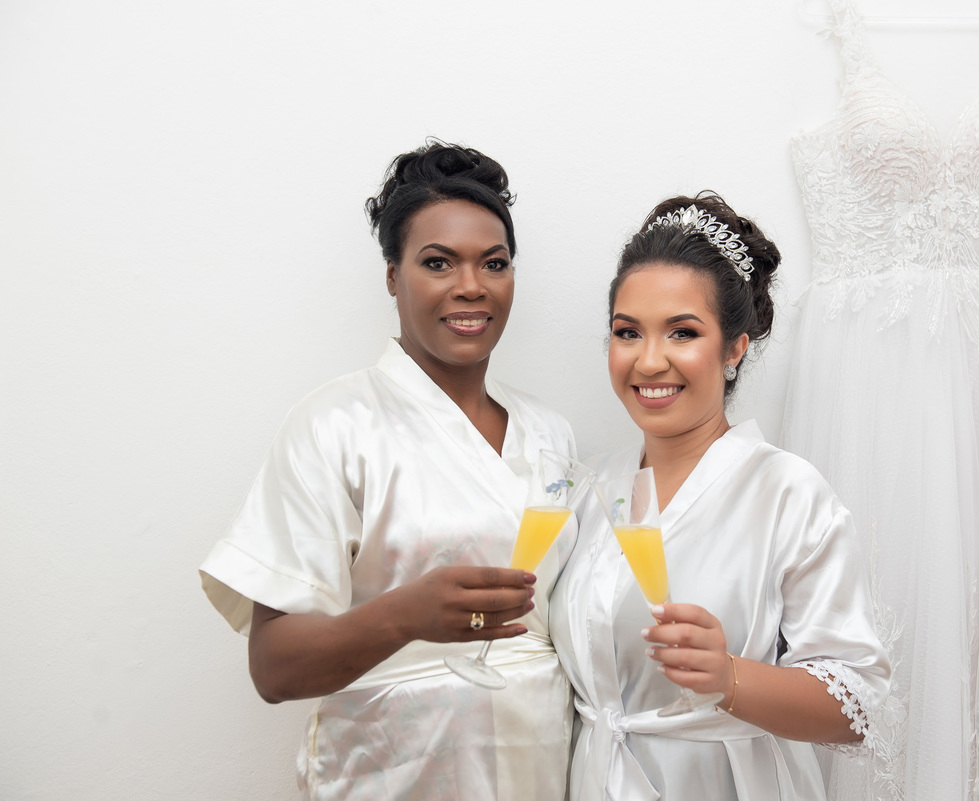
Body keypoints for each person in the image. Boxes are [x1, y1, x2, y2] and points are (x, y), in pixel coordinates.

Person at [199, 141, 576, 801]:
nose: (471, 286)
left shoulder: (551, 433)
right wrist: (405, 614)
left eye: (494, 263)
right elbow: (273, 667)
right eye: (438, 262)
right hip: (396, 771)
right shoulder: (335, 426)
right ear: (393, 276)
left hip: (540, 765)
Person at [549, 192, 891, 800]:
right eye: (627, 332)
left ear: (735, 348)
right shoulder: (584, 490)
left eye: (682, 332)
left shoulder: (787, 493)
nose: (649, 361)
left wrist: (730, 676)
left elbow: (859, 705)